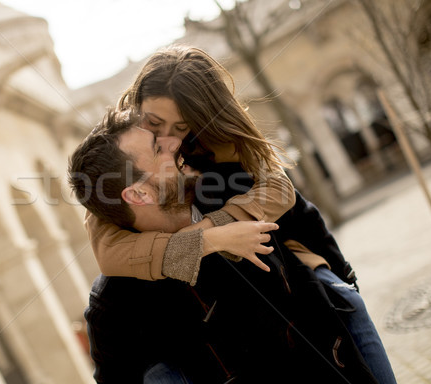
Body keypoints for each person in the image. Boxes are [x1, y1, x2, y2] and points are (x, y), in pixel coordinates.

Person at [83, 45, 396, 384]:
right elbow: (110, 253)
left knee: (343, 300)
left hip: (300, 242)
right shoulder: (120, 163)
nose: (168, 138)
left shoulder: (222, 145)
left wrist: (218, 222)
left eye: (181, 127)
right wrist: (211, 238)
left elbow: (281, 190)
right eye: (155, 123)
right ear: (136, 106)